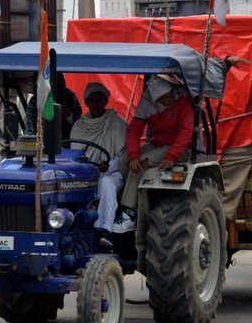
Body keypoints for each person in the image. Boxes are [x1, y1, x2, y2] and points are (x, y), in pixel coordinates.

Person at [115, 75, 194, 231]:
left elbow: (186, 132)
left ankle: (129, 210)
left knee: (142, 163)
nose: (170, 98)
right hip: (158, 143)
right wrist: (133, 155)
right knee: (123, 160)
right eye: (165, 98)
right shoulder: (146, 102)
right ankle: (134, 196)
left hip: (184, 147)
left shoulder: (183, 100)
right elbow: (134, 131)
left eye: (170, 94)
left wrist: (171, 156)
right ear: (156, 99)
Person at [70, 82, 127, 247]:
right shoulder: (79, 126)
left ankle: (104, 231)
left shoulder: (117, 123)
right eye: (92, 100)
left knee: (107, 183)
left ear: (106, 101)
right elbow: (75, 155)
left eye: (99, 99)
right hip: (85, 173)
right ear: (86, 103)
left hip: (112, 172)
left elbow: (123, 155)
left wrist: (108, 166)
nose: (95, 103)